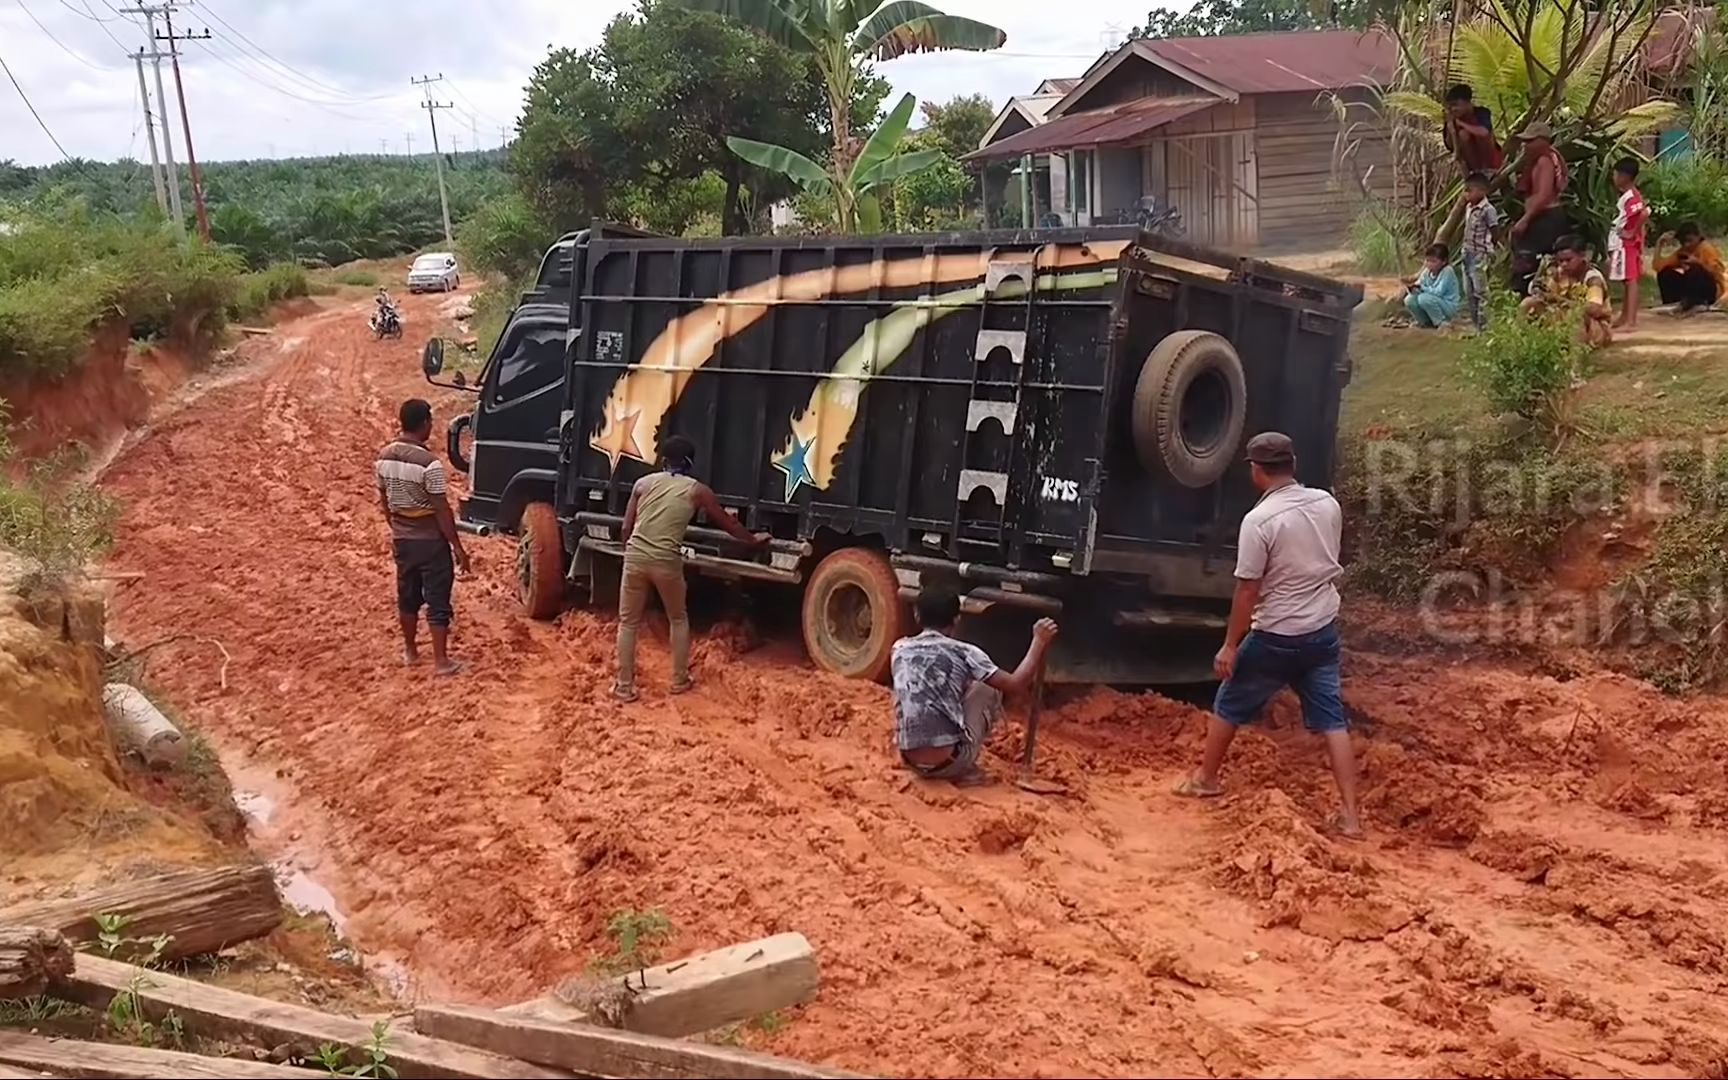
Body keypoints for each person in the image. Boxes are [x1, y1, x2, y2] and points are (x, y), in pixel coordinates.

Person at [1173, 432, 1361, 839]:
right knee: (1332, 721)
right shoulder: (1328, 503)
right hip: (1321, 631)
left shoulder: (1259, 521)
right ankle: (1350, 815)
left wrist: (1229, 645)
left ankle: (1205, 779)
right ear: (1292, 464)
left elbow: (1247, 589)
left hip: (1277, 633)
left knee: (1229, 703)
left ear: (1256, 471)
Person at [613, 434, 769, 702]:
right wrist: (753, 539)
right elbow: (728, 525)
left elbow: (626, 527)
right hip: (666, 561)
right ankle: (678, 679)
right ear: (689, 463)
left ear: (663, 460)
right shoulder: (697, 491)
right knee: (678, 618)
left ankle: (623, 687)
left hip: (635, 557)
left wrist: (631, 552)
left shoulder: (642, 484)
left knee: (628, 623)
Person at [891, 587, 1058, 785]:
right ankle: (964, 768)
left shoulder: (899, 648)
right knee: (987, 686)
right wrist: (1039, 641)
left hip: (909, 760)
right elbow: (1016, 684)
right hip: (950, 763)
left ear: (917, 615)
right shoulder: (966, 652)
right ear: (956, 619)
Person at [376, 398, 469, 677]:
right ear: (425, 423)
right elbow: (441, 509)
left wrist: (398, 528)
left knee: (407, 596)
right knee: (438, 599)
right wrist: (457, 547)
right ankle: (441, 662)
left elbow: (384, 499)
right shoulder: (430, 464)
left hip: (403, 539)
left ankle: (410, 651)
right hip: (430, 542)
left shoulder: (384, 457)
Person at [1509, 121, 1569, 297]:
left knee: (1530, 263)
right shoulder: (1545, 158)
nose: (1526, 145)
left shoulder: (1545, 161)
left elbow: (1543, 196)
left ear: (1543, 141)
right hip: (1544, 217)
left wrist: (1525, 219)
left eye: (1530, 141)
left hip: (1545, 219)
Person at [1523, 234, 1613, 346]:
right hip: (1565, 318)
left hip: (1596, 327)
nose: (1564, 264)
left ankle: (1574, 355)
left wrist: (1558, 299)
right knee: (1529, 303)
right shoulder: (1559, 273)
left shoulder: (1593, 279)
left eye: (1568, 260)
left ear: (1582, 256)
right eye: (1560, 261)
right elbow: (1546, 296)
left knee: (1574, 315)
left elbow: (1594, 309)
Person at [1607, 157, 1649, 331]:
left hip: (1627, 244)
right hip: (1622, 243)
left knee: (1631, 280)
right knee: (1626, 280)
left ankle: (1631, 321)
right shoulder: (1626, 196)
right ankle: (1625, 316)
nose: (1614, 177)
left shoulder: (1632, 196)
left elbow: (1644, 212)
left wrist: (1632, 232)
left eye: (1616, 174)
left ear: (1624, 176)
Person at [1459, 171, 1501, 331]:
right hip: (1467, 253)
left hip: (1480, 255)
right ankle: (1476, 325)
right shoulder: (1469, 208)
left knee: (1481, 292)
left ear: (1482, 191)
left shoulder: (1488, 210)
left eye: (1469, 190)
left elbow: (1495, 230)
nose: (1466, 194)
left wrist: (1488, 249)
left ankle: (1485, 328)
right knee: (1468, 292)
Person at [1654, 221, 1726, 314]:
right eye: (1683, 242)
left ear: (1698, 236)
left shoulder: (1706, 249)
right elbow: (1658, 267)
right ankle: (1673, 303)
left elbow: (1718, 274)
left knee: (1694, 270)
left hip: (1710, 290)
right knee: (1665, 273)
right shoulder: (1683, 252)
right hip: (1690, 288)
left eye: (1689, 240)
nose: (1687, 245)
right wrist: (1659, 245)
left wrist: (1698, 262)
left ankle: (1698, 303)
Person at [1443, 84, 1502, 175]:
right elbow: (1450, 146)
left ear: (1467, 102)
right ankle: (1476, 171)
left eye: (1456, 105)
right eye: (1450, 107)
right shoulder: (1452, 120)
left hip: (1491, 160)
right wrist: (1450, 129)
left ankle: (1486, 168)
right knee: (1463, 134)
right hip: (1471, 165)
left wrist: (1461, 124)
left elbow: (1484, 133)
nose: (1453, 109)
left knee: (1478, 133)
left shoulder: (1481, 113)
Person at [1400, 243, 1462, 328]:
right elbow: (1419, 283)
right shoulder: (1426, 272)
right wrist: (1412, 288)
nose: (1429, 264)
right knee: (1409, 299)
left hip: (1447, 306)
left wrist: (1422, 288)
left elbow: (1438, 292)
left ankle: (1441, 322)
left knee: (1424, 298)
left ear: (1444, 261)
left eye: (1433, 261)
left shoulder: (1447, 271)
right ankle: (1424, 322)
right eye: (1427, 260)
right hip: (1434, 302)